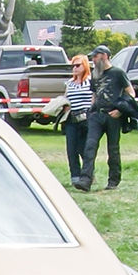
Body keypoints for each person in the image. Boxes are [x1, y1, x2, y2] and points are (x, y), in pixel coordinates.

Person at [72, 45, 134, 192]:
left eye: (95, 56)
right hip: (96, 115)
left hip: (113, 116)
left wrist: (120, 109)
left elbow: (130, 92)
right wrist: (91, 111)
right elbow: (94, 94)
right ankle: (85, 180)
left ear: (104, 56)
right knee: (90, 146)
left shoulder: (118, 73)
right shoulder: (95, 74)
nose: (93, 59)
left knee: (113, 149)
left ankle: (113, 181)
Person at [62, 54, 93, 185]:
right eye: (73, 66)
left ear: (84, 66)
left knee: (85, 148)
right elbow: (65, 98)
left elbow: (94, 98)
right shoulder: (69, 83)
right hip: (72, 119)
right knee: (71, 148)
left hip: (87, 119)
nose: (74, 68)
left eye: (77, 65)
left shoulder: (91, 82)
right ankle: (75, 176)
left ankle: (88, 175)